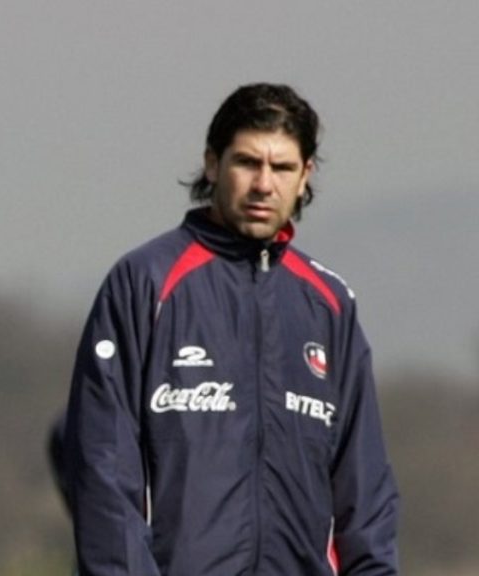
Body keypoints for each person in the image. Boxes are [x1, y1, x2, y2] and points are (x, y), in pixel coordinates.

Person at [62, 83, 399, 575]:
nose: (264, 184)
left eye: (282, 167)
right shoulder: (145, 283)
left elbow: (364, 492)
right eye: (247, 163)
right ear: (212, 164)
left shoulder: (329, 304)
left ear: (305, 175)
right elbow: (103, 469)